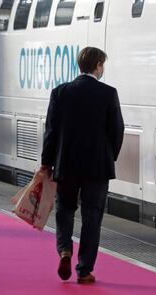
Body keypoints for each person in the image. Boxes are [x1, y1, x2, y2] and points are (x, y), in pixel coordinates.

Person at [41, 47, 124, 284]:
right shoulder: (108, 93)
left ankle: (65, 250)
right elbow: (117, 130)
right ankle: (84, 269)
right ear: (98, 65)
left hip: (66, 165)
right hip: (97, 168)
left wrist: (47, 163)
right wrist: (109, 156)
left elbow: (51, 132)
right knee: (92, 217)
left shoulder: (60, 92)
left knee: (65, 209)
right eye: (102, 65)